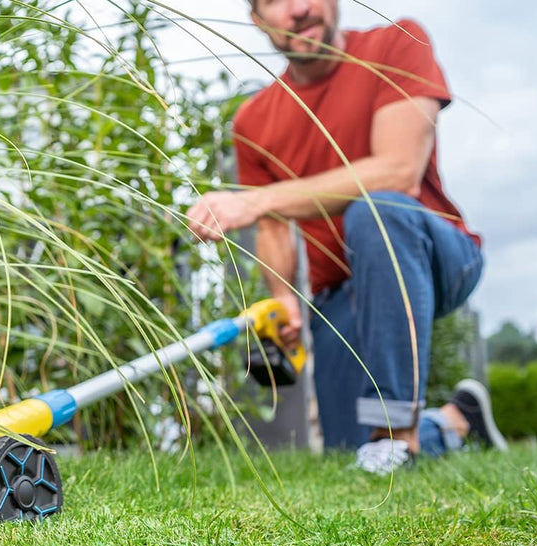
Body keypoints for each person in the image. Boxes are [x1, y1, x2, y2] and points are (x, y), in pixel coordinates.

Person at [186, 0, 507, 472]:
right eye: (275, 1)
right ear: (258, 21)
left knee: (375, 210)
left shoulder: (396, 44)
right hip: (342, 291)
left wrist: (255, 200)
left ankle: (395, 427)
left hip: (435, 256)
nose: (298, 9)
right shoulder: (254, 122)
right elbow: (275, 223)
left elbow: (398, 172)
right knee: (352, 453)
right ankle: (454, 423)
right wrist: (284, 298)